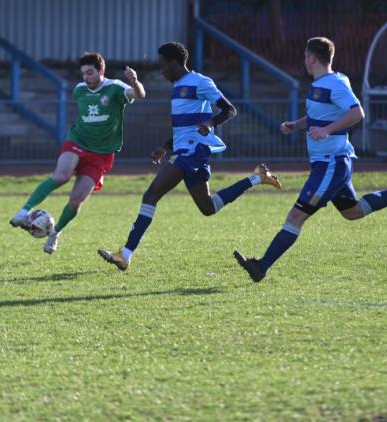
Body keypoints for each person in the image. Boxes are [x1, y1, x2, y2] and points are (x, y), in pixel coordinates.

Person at [232, 36, 387, 283]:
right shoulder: (323, 84)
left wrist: (328, 131)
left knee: (296, 216)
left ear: (312, 58)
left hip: (331, 163)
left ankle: (261, 266)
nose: (304, 61)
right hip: (332, 163)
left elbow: (357, 112)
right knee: (353, 212)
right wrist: (297, 125)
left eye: (305, 57)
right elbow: (322, 115)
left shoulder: (335, 84)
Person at [97, 41, 282, 272]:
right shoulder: (178, 88)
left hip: (194, 151)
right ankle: (257, 177)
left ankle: (125, 254)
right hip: (186, 150)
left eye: (163, 65)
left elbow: (229, 110)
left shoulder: (200, 82)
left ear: (174, 63)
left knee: (151, 194)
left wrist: (211, 122)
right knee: (208, 207)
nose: (162, 71)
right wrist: (166, 147)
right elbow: (183, 128)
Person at [9, 52, 146, 254]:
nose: (86, 78)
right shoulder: (79, 90)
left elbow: (140, 95)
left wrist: (135, 81)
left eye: (90, 73)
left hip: (101, 154)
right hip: (77, 141)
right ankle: (23, 212)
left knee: (76, 201)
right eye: (83, 74)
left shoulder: (115, 87)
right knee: (61, 175)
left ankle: (55, 233)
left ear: (101, 71)